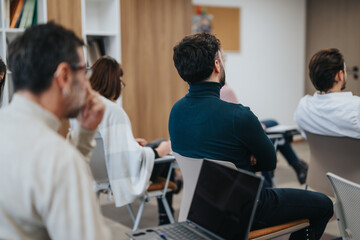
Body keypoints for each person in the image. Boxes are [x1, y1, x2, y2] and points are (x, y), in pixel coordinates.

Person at [169, 32, 333, 240]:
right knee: (324, 205)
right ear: (217, 65)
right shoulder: (238, 115)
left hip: (200, 206)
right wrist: (246, 159)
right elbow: (269, 162)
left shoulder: (176, 112)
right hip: (246, 208)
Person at [0, 22, 111, 239]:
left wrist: (85, 133)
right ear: (64, 76)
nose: (89, 84)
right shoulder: (59, 160)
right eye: (85, 70)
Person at [86, 56, 177, 225]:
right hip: (118, 174)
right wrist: (159, 152)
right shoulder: (113, 111)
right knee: (164, 148)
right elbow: (133, 160)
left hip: (97, 173)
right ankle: (166, 214)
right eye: (120, 83)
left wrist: (130, 142)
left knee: (156, 142)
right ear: (112, 81)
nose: (120, 88)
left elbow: (99, 142)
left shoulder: (84, 107)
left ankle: (170, 198)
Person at [221, 83, 308, 185]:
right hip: (236, 133)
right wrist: (256, 126)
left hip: (228, 134)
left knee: (272, 127)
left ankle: (297, 165)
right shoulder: (225, 89)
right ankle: (296, 165)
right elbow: (237, 117)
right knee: (271, 132)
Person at [295, 48, 360, 138]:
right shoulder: (356, 107)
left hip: (318, 152)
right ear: (339, 75)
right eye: (344, 71)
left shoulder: (304, 106)